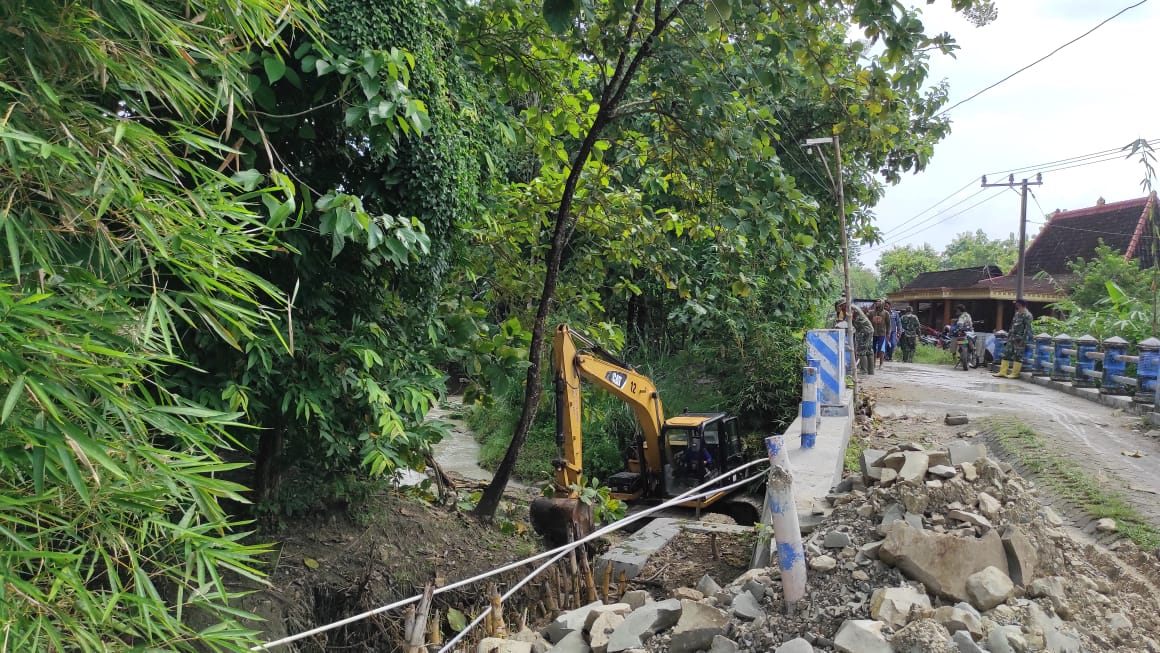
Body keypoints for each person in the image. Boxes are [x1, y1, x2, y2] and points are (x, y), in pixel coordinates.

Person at [994, 298, 1034, 378]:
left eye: (1017, 303)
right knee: (1006, 354)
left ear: (1021, 304)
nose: (1015, 305)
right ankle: (1003, 372)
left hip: (1019, 339)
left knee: (1018, 356)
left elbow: (1027, 329)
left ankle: (1015, 373)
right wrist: (1008, 337)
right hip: (1012, 338)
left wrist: (1023, 340)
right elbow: (1012, 326)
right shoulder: (1016, 314)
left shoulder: (1028, 315)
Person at [836, 301, 875, 376]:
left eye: (841, 306)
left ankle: (863, 370)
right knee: (869, 350)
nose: (840, 308)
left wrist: (839, 325)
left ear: (844, 304)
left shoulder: (850, 308)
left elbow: (849, 320)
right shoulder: (852, 307)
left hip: (863, 330)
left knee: (861, 350)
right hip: (869, 329)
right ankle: (871, 371)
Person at [870, 300, 890, 369]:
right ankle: (873, 364)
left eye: (879, 302)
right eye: (876, 302)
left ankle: (881, 364)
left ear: (882, 303)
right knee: (873, 349)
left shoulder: (886, 313)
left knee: (881, 349)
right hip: (873, 333)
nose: (877, 303)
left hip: (882, 334)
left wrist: (888, 333)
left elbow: (888, 324)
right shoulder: (871, 313)